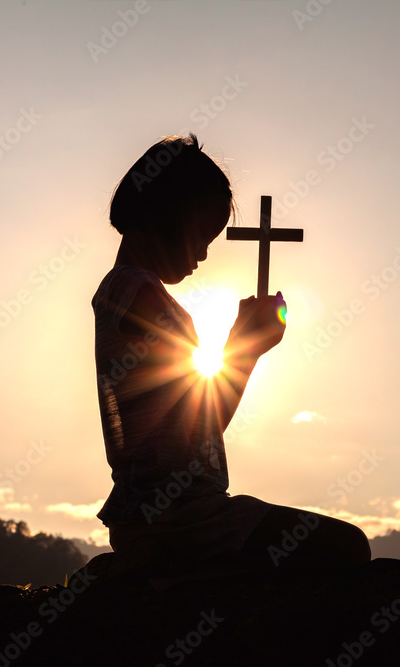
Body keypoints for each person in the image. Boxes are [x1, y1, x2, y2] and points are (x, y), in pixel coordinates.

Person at [89, 134, 370, 580]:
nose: (203, 253)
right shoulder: (137, 293)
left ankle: (164, 564)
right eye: (202, 234)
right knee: (347, 547)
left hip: (163, 511)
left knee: (321, 558)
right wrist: (242, 348)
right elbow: (192, 426)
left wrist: (247, 349)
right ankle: (165, 565)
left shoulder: (133, 292)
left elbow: (196, 428)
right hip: (180, 516)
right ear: (167, 212)